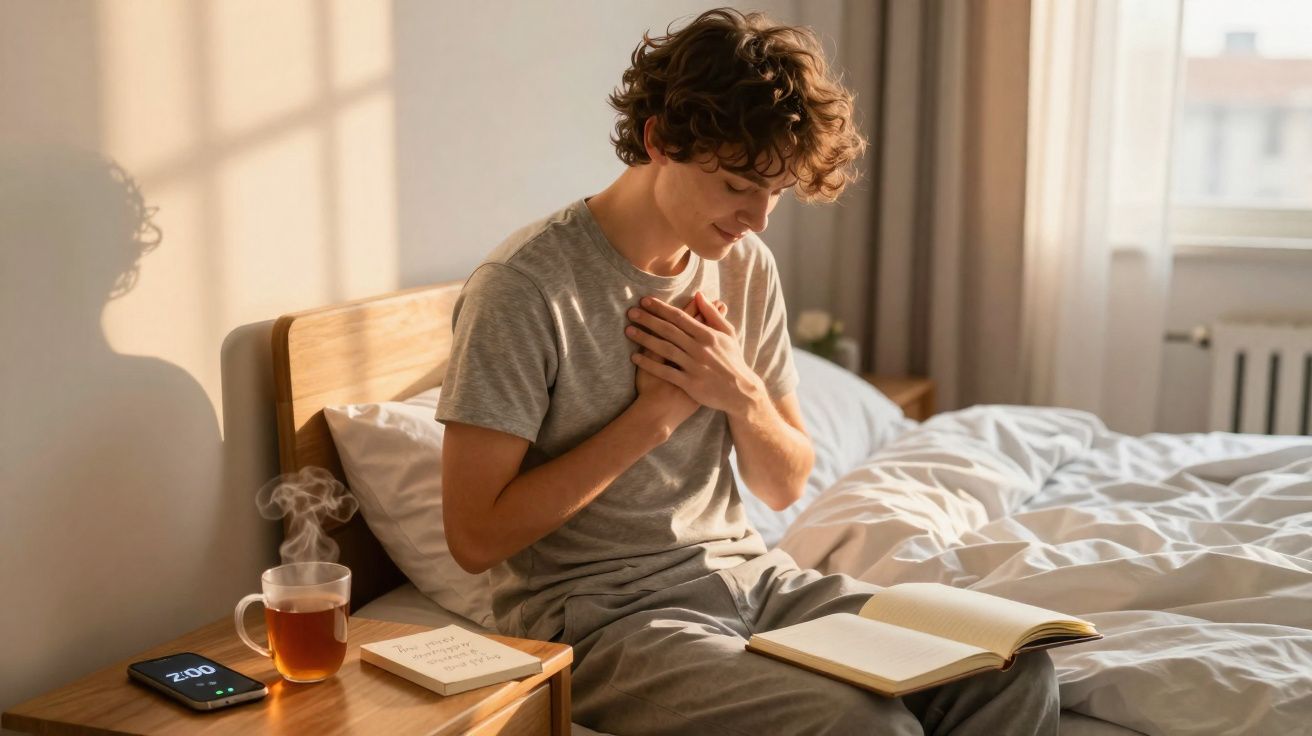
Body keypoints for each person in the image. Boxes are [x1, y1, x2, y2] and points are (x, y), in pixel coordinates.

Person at [437, 8, 1058, 735]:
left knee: (1014, 669)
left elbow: (785, 480)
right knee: (865, 725)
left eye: (778, 190)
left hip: (752, 579)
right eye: (737, 185)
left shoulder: (744, 265)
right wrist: (654, 418)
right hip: (604, 619)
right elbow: (473, 538)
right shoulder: (526, 288)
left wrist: (740, 393)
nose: (759, 218)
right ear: (660, 140)